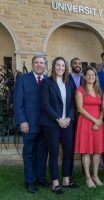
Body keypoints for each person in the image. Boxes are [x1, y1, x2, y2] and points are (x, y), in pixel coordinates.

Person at [40, 57, 77, 194]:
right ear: (54, 66)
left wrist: (68, 118)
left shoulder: (69, 83)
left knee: (68, 152)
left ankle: (66, 180)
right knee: (54, 153)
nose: (60, 67)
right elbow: (45, 104)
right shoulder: (46, 82)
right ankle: (55, 182)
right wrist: (58, 119)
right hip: (51, 124)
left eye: (62, 65)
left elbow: (73, 104)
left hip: (67, 123)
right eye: (58, 65)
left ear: (65, 68)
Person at [14, 55, 49, 193]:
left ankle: (40, 178)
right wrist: (22, 120)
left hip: (45, 125)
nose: (39, 65)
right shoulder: (23, 79)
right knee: (29, 153)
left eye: (41, 63)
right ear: (32, 64)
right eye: (36, 63)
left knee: (42, 153)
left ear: (45, 65)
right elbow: (18, 102)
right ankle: (30, 181)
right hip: (28, 124)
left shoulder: (47, 80)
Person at [74, 67, 104, 188]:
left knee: (97, 151)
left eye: (93, 75)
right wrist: (94, 120)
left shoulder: (99, 91)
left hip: (98, 124)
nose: (91, 76)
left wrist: (99, 120)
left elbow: (103, 107)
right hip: (85, 122)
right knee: (86, 151)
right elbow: (80, 109)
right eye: (88, 75)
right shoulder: (80, 90)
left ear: (95, 77)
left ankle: (95, 176)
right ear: (85, 76)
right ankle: (87, 177)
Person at [68, 57, 83, 183]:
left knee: (85, 144)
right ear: (71, 65)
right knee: (69, 146)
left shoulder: (85, 78)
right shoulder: (66, 78)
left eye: (79, 63)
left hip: (83, 117)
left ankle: (86, 171)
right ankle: (69, 172)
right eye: (75, 63)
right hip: (71, 117)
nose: (77, 65)